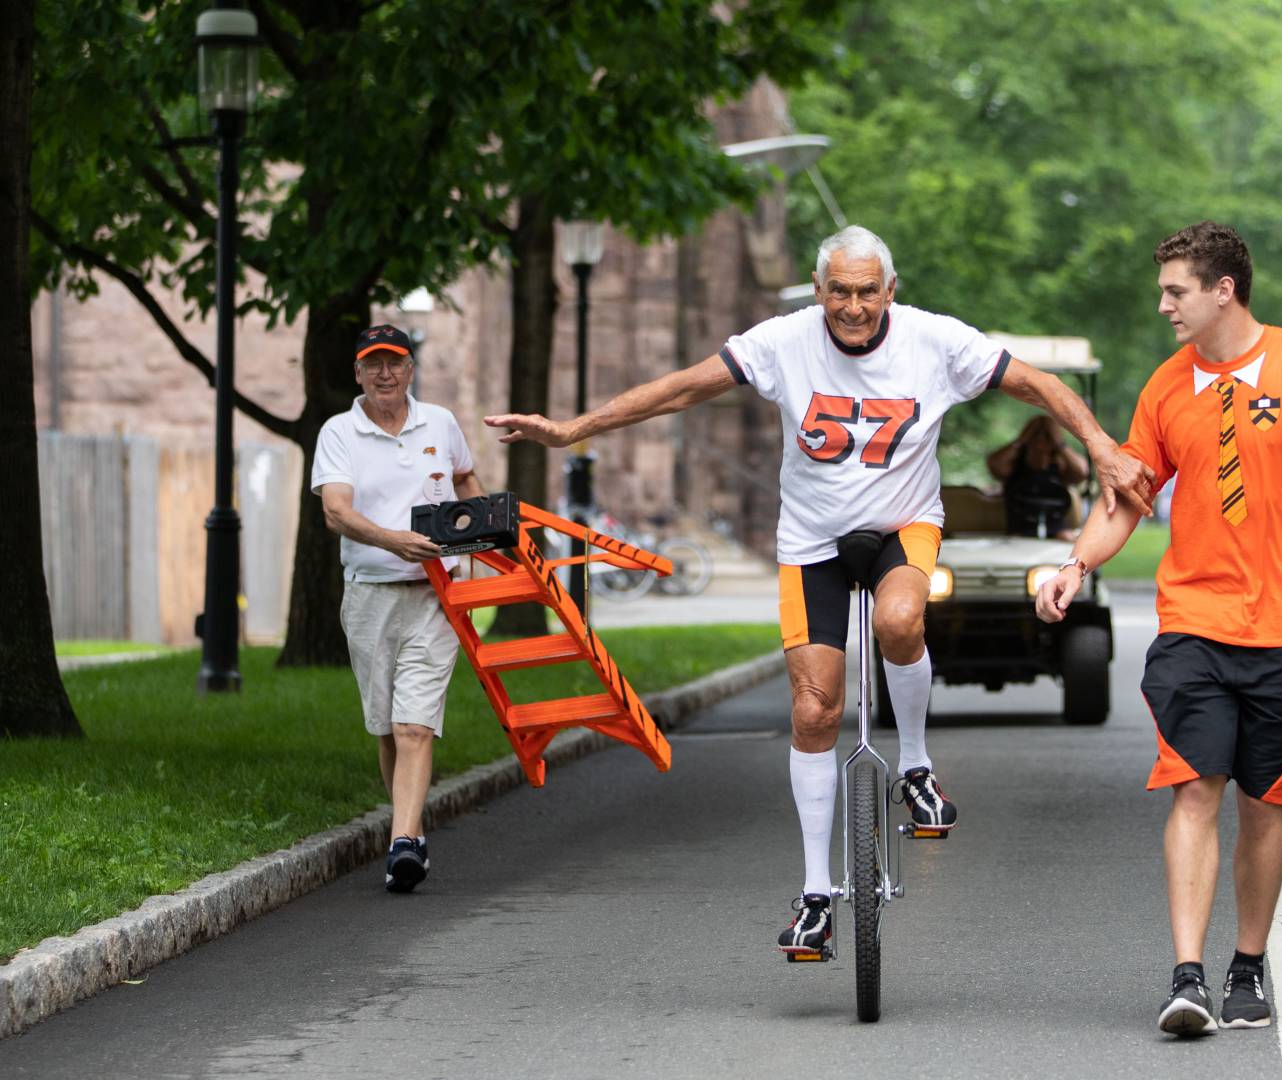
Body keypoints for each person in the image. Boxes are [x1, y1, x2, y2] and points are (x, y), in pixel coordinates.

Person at [485, 225, 1154, 956]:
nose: (855, 305)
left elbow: (1042, 385)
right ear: (819, 289)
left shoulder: (935, 342)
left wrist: (1101, 448)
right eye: (840, 290)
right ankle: (814, 896)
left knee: (901, 622)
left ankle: (918, 767)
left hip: (905, 525)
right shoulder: (783, 342)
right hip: (812, 545)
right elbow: (681, 388)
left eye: (869, 291)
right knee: (814, 710)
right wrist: (573, 428)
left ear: (891, 291)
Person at [1036, 222, 1282, 1036]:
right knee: (1195, 787)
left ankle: (1247, 965)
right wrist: (1076, 564)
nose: (1163, 305)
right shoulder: (1166, 387)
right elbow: (1128, 494)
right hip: (1193, 623)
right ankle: (1187, 975)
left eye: (1175, 290)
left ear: (1222, 289)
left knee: (1265, 803)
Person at [312, 324, 486, 893]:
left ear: (411, 369)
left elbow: (464, 477)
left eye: (396, 363)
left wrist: (480, 538)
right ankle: (405, 831)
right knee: (387, 726)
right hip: (370, 594)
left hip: (438, 595)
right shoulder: (340, 432)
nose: (385, 373)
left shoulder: (439, 422)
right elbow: (336, 512)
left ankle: (404, 843)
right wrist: (396, 541)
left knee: (415, 726)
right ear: (358, 373)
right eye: (373, 364)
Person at [988, 415, 1089, 539]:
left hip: (1057, 529)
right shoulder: (1014, 465)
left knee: (1067, 540)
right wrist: (1020, 441)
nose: (1040, 441)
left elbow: (1083, 472)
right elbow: (994, 465)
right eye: (1036, 435)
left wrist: (1060, 444)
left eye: (1046, 437)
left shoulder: (1061, 465)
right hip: (1019, 530)